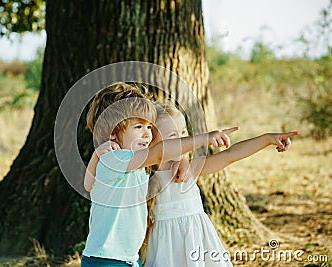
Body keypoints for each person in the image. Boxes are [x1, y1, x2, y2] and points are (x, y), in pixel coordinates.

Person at [81, 82, 236, 267]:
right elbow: (160, 152)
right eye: (138, 127)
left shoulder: (134, 164)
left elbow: (89, 186)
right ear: (113, 132)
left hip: (128, 258)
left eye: (149, 127)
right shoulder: (115, 158)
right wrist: (205, 138)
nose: (147, 134)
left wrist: (96, 155)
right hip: (106, 258)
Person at [140, 102, 299, 267]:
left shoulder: (191, 168)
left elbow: (230, 155)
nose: (184, 141)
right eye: (174, 136)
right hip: (164, 249)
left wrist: (267, 139)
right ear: (151, 142)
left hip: (198, 245)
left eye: (184, 133)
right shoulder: (145, 177)